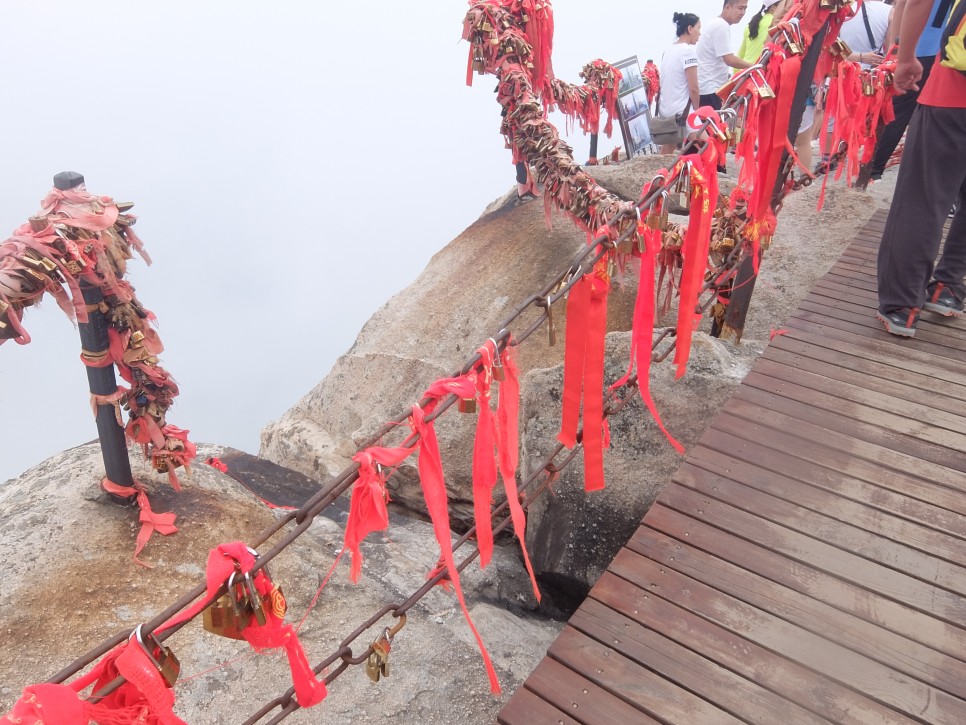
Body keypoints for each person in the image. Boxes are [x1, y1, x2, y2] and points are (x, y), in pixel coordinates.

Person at [875, 0, 966, 336]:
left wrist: (906, 57)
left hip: (953, 93)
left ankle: (902, 305)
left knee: (922, 198)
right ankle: (948, 288)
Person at [870, 0, 953, 180]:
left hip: (921, 48)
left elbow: (903, 4)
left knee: (897, 112)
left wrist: (896, 50)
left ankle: (872, 168)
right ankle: (874, 168)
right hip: (935, 49)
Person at [655, 12, 702, 155]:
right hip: (683, 113)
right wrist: (698, 111)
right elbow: (694, 88)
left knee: (666, 154)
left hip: (667, 111)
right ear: (690, 29)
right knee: (707, 147)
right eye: (699, 28)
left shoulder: (668, 51)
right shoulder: (687, 52)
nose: (700, 33)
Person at [696, 0, 752, 110]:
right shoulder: (721, 25)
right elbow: (729, 59)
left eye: (745, 9)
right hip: (711, 89)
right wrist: (753, 66)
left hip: (707, 88)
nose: (742, 13)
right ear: (727, 7)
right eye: (740, 8)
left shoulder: (715, 23)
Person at [737, 0, 790, 64]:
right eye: (781, 5)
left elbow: (740, 54)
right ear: (773, 7)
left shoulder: (750, 25)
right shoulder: (776, 23)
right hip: (760, 67)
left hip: (745, 68)